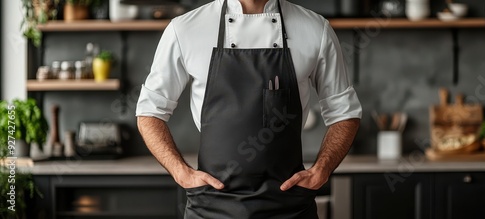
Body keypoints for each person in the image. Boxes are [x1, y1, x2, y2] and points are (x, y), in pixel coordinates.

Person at [136, 0, 362, 218]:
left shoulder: (315, 29)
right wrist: (181, 172)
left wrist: (321, 170)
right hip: (211, 208)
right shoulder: (184, 29)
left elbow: (345, 113)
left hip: (289, 207)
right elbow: (149, 112)